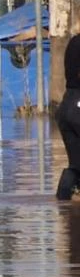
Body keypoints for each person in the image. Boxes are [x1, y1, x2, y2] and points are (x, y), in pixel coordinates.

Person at [57, 34, 80, 199]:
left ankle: (63, 206)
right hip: (77, 106)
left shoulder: (74, 41)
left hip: (67, 104)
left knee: (76, 165)